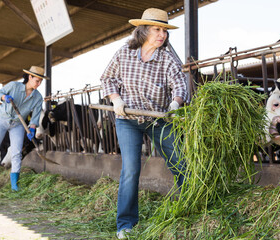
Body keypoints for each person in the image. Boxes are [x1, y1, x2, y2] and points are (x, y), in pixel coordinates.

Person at [100, 7, 188, 239]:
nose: (162, 34)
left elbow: (179, 86)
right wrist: (116, 98)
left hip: (159, 120)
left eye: (165, 31)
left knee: (179, 162)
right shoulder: (124, 53)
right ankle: (126, 224)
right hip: (127, 119)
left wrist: (175, 104)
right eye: (157, 29)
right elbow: (107, 78)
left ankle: (194, 206)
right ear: (143, 31)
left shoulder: (167, 59)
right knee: (131, 169)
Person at [0, 66, 47, 192]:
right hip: (1, 120)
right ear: (30, 77)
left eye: (40, 82)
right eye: (37, 80)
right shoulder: (14, 86)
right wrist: (4, 98)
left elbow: (35, 116)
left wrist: (32, 128)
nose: (38, 84)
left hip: (17, 124)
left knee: (16, 153)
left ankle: (14, 185)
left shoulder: (37, 97)